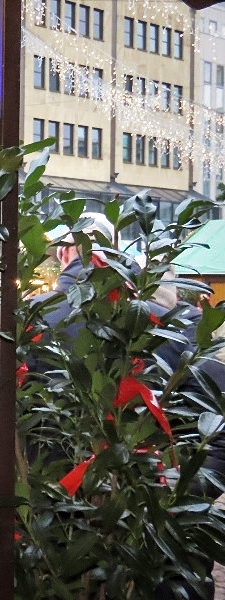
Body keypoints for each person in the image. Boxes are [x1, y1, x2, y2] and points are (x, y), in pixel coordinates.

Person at [27, 213, 225, 600]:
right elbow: (215, 419)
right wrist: (182, 493)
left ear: (66, 253)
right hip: (140, 512)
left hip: (50, 512)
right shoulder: (162, 320)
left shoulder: (32, 316)